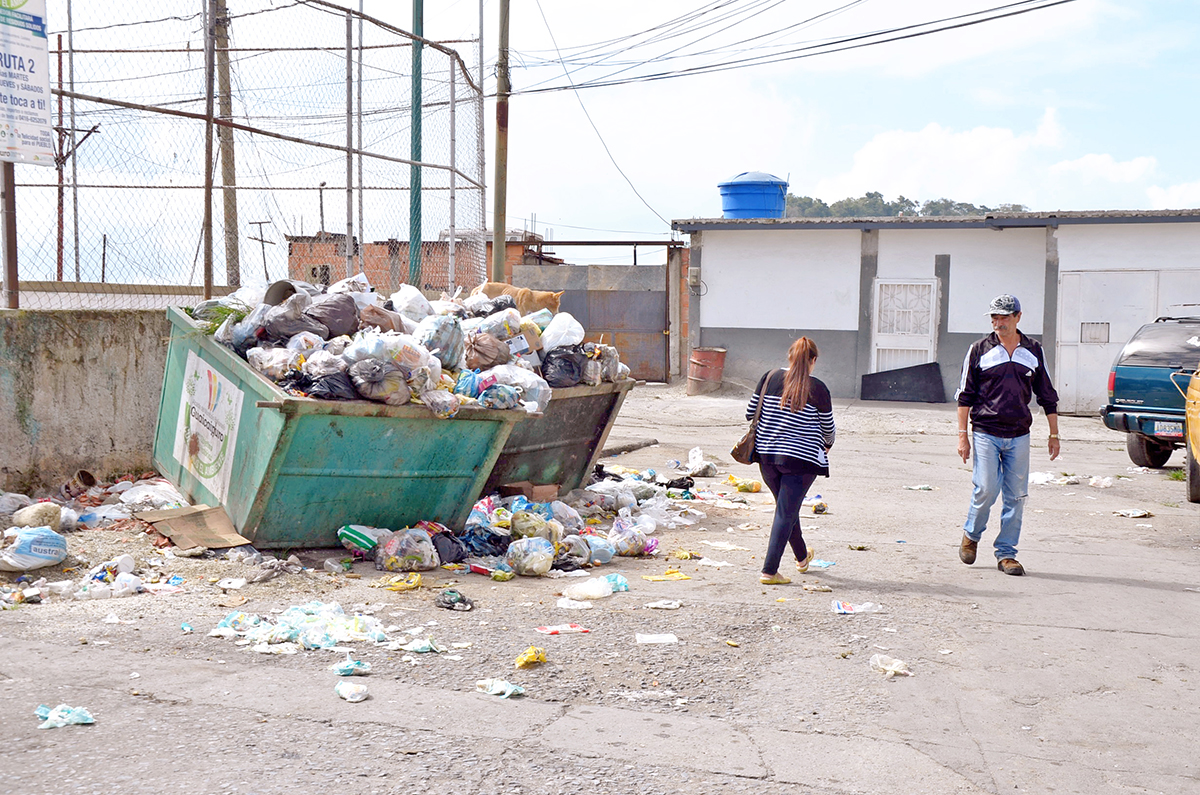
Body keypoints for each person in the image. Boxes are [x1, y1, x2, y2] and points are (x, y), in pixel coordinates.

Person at [955, 294, 1060, 576]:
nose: (998, 322)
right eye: (994, 317)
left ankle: (1006, 554)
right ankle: (971, 535)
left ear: (1018, 317)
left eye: (1003, 317)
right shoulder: (979, 349)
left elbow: (1047, 394)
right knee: (986, 488)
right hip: (986, 432)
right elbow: (964, 396)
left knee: (1016, 496)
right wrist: (962, 436)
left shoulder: (1033, 350)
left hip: (1019, 435)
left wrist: (1054, 434)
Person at [746, 337, 836, 585]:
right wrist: (827, 444)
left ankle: (802, 557)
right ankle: (769, 570)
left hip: (767, 457)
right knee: (785, 512)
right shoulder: (818, 388)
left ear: (790, 357)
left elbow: (749, 413)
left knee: (787, 509)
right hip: (801, 461)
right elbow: (828, 429)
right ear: (813, 360)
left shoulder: (769, 377)